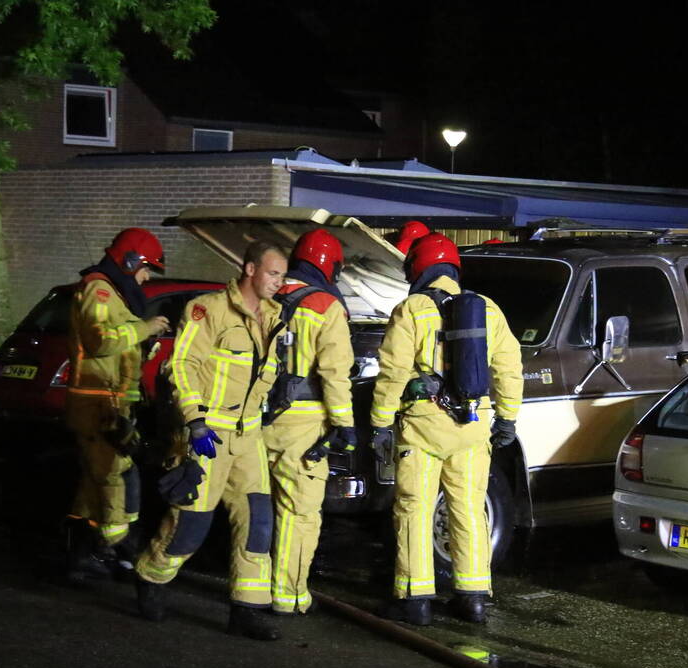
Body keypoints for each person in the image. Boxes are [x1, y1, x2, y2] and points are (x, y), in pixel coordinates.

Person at [134, 241, 288, 641]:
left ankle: (246, 610)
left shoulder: (274, 316)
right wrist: (195, 422)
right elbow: (182, 365)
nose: (279, 282)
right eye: (273, 273)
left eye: (282, 275)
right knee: (191, 522)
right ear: (250, 269)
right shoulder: (208, 310)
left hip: (249, 434)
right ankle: (151, 577)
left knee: (257, 522)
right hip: (208, 436)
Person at [369, 232, 523, 626]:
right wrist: (506, 418)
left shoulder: (412, 309)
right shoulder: (488, 309)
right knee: (470, 509)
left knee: (414, 508)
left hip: (422, 426)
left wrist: (380, 422)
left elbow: (393, 372)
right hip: (473, 426)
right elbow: (508, 366)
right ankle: (472, 598)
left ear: (418, 268)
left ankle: (415, 600)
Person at [65, 227, 170, 581]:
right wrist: (143, 328)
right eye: (146, 268)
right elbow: (99, 341)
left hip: (109, 404)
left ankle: (82, 556)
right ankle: (123, 552)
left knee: (92, 484)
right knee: (115, 477)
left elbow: (115, 346)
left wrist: (142, 346)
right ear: (129, 261)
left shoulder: (114, 294)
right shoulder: (101, 290)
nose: (146, 276)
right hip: (97, 406)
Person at [262, 228, 356, 616]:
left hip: (254, 420)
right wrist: (344, 424)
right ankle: (288, 596)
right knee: (298, 512)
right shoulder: (326, 307)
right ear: (329, 265)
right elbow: (335, 374)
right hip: (302, 426)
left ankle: (247, 590)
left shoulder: (264, 297)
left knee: (254, 508)